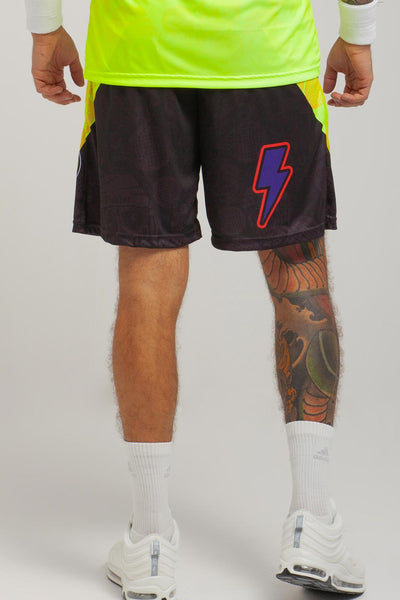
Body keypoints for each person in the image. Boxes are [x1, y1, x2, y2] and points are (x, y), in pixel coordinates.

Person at [24, 0, 379, 596]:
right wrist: (357, 31)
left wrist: (44, 25)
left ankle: (150, 541)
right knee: (298, 268)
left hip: (138, 56)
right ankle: (313, 523)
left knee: (146, 281)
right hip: (264, 56)